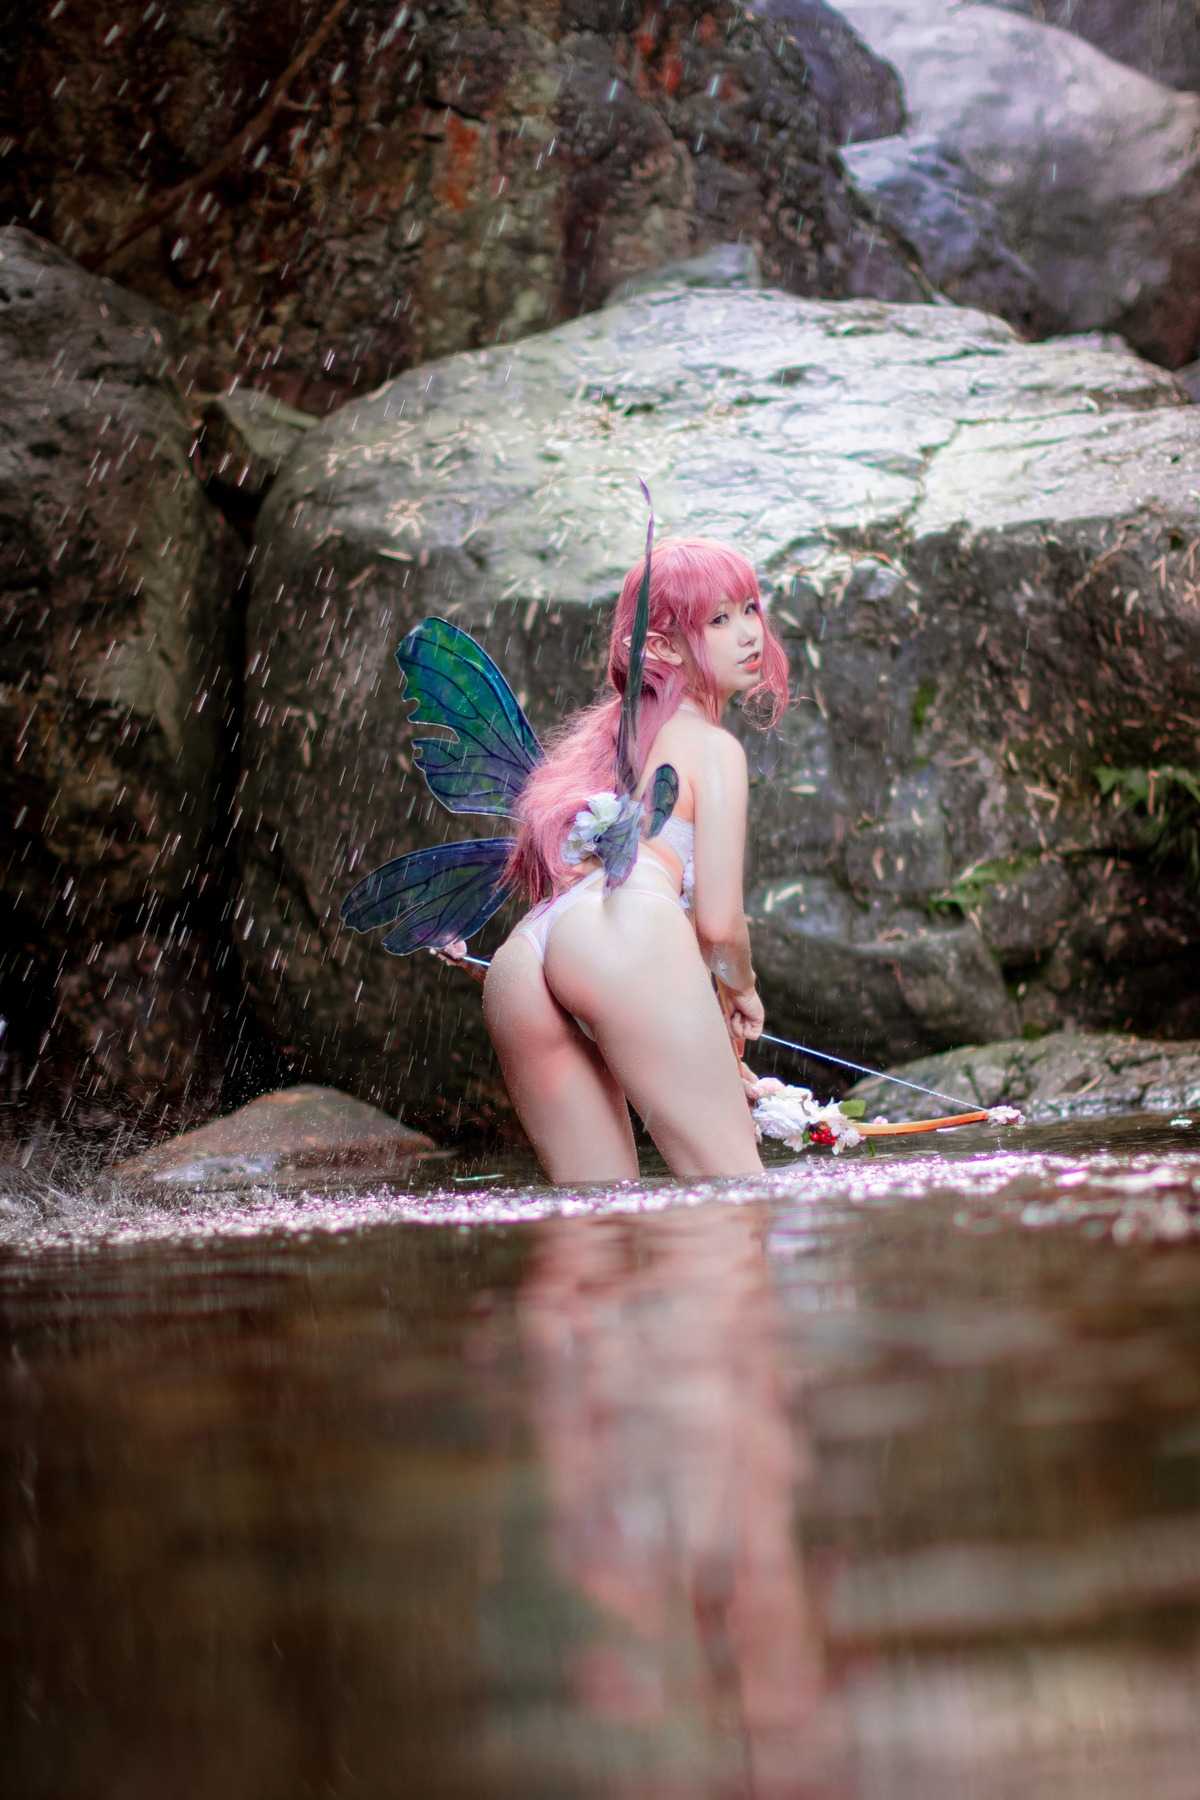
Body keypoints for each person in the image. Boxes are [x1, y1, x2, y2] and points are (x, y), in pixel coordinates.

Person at [444, 538, 790, 1185]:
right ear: (661, 646)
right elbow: (717, 924)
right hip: (624, 940)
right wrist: (742, 987)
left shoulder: (610, 743)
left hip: (527, 958)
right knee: (737, 1199)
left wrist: (711, 1019)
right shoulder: (711, 747)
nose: (749, 633)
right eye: (718, 620)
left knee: (595, 1222)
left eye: (750, 608)